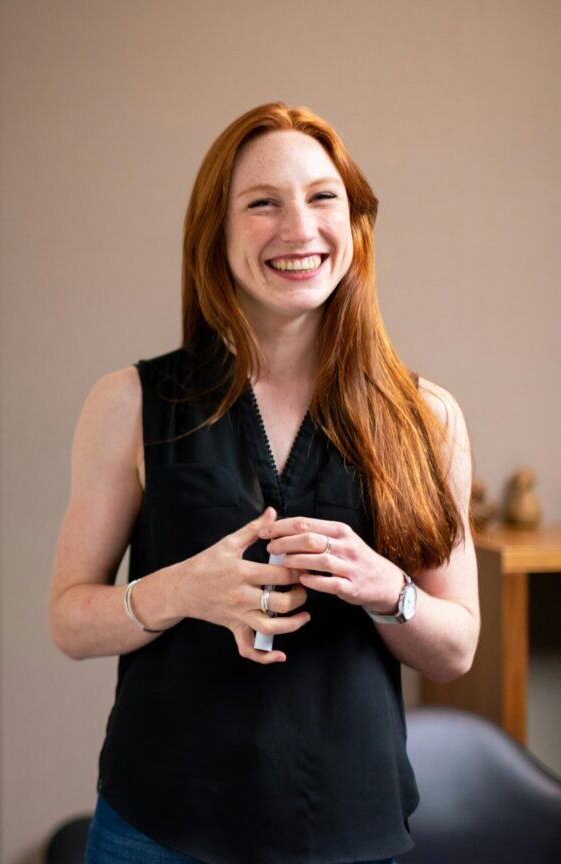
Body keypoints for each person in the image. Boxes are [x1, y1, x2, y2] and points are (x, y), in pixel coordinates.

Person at [49, 102, 479, 864]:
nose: (299, 228)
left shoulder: (428, 417)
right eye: (262, 204)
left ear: (355, 223)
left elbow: (455, 648)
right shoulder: (129, 403)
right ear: (215, 232)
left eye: (322, 198)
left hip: (351, 833)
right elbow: (70, 620)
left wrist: (387, 589)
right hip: (158, 832)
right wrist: (181, 591)